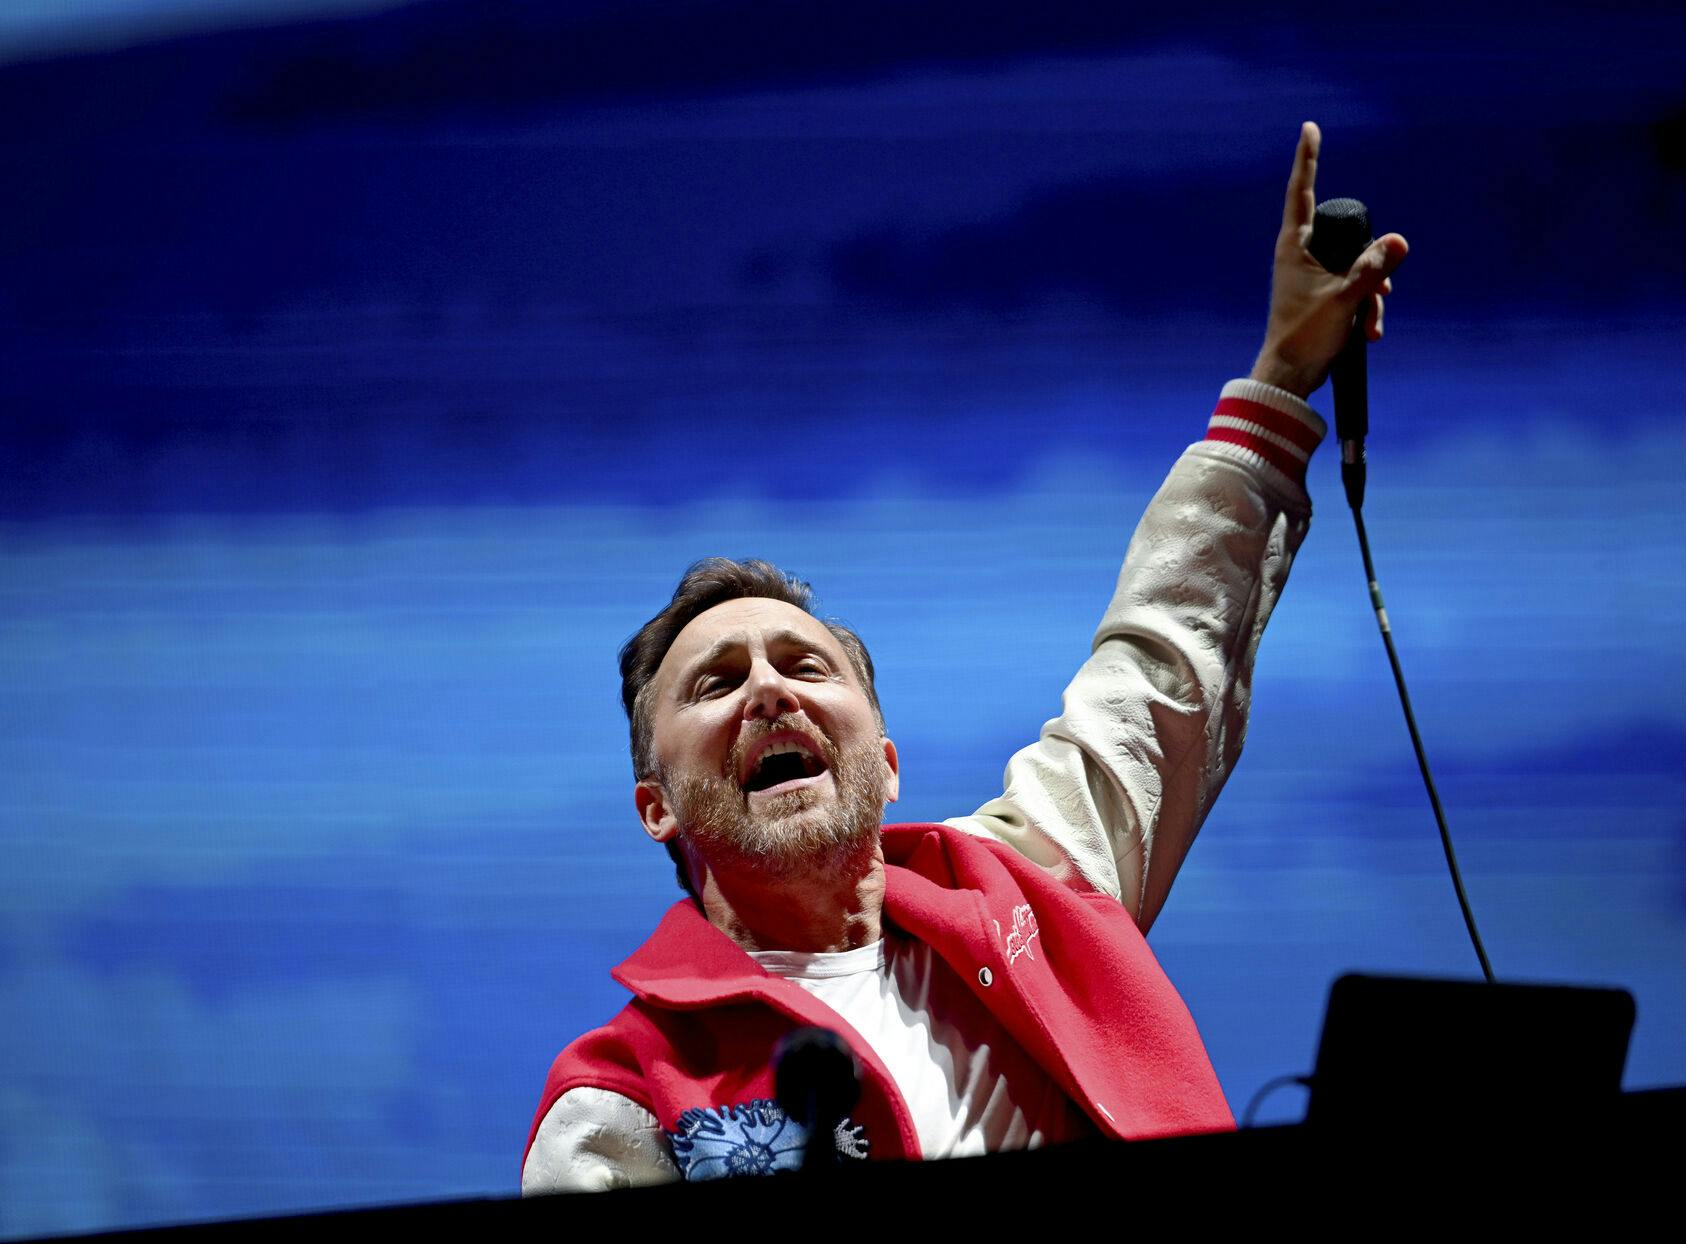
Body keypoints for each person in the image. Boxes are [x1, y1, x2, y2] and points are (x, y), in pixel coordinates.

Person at [522, 121, 1407, 1189]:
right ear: (655, 806)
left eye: (806, 666)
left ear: (886, 763)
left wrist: (1280, 376)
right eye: (716, 682)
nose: (767, 690)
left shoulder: (1028, 885)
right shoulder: (619, 1100)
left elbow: (1162, 658)